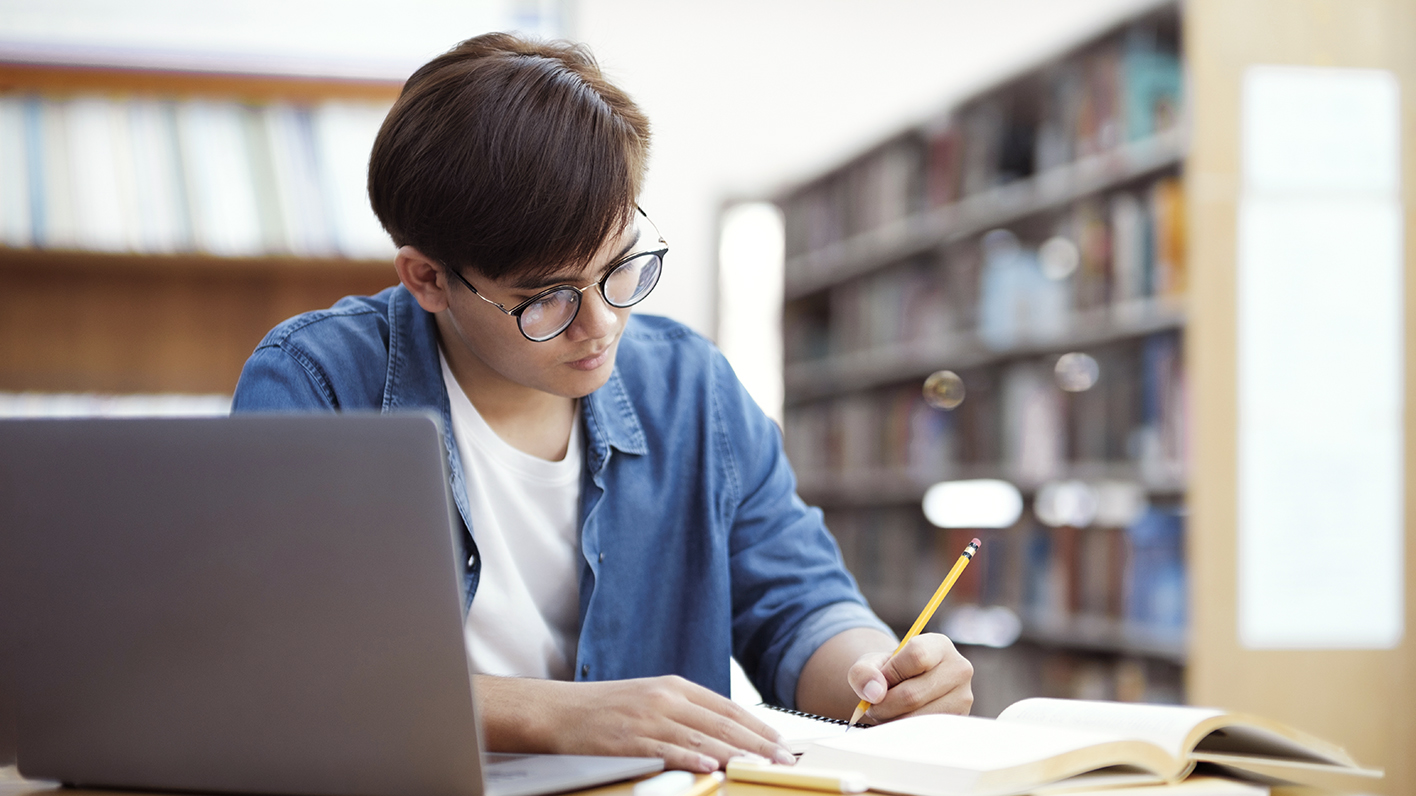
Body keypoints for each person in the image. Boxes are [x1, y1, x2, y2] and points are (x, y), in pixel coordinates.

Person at [231, 32, 973, 772]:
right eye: (546, 299)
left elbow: (799, 606)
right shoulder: (316, 382)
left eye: (620, 268)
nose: (602, 325)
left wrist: (878, 673)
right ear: (427, 280)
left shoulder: (693, 389)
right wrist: (559, 715)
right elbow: (278, 665)